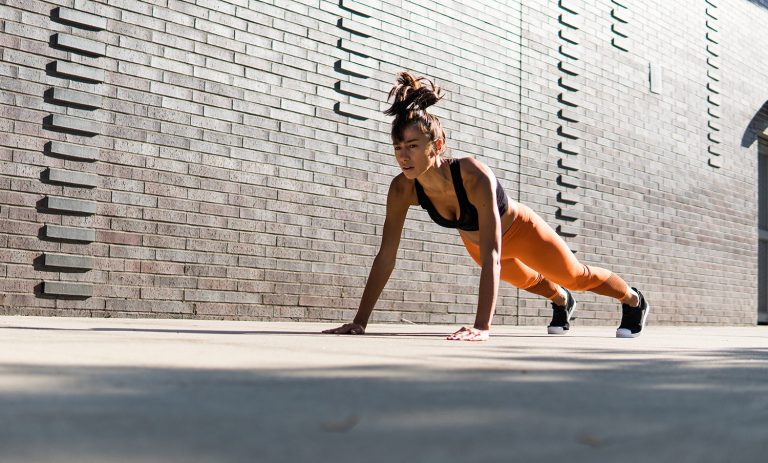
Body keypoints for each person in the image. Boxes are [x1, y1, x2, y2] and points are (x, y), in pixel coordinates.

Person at [322, 72, 649, 341]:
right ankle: (562, 301)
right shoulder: (402, 188)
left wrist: (482, 326)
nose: (403, 156)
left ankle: (633, 300)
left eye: (412, 146)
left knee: (576, 276)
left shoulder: (472, 174)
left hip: (520, 231)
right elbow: (387, 255)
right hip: (476, 244)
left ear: (437, 145)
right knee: (531, 282)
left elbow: (495, 251)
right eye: (397, 147)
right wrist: (360, 321)